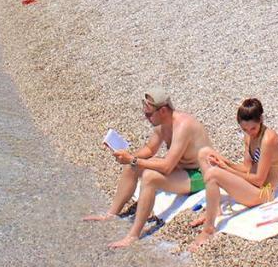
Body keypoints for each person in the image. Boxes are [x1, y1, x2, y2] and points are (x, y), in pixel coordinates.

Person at [83, 89, 213, 250]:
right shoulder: (162, 123)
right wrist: (125, 155)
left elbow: (167, 166)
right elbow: (150, 149)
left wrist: (132, 159)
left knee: (149, 177)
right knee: (133, 166)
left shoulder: (183, 125)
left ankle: (133, 235)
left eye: (149, 114)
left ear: (163, 110)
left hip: (201, 174)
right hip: (181, 168)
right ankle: (111, 213)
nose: (146, 118)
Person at [190, 98, 278, 252]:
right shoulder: (249, 136)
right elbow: (246, 167)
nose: (249, 133)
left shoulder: (269, 139)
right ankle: (215, 209)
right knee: (204, 153)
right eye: (244, 130)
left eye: (252, 128)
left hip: (266, 191)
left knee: (214, 174)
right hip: (251, 184)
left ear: (261, 119)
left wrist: (226, 169)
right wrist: (225, 162)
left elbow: (260, 180)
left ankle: (209, 229)